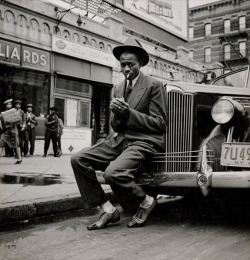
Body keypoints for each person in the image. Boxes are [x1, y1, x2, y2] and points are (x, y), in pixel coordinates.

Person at [71, 37, 167, 230]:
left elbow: (160, 124)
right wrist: (117, 115)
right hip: (120, 140)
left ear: (140, 63)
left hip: (144, 141)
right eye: (122, 65)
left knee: (113, 173)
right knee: (78, 159)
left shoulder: (154, 85)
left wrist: (128, 112)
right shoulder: (118, 87)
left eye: (130, 64)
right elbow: (117, 126)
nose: (125, 69)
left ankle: (147, 201)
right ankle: (107, 209)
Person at [0, 99, 22, 164]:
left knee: (16, 143)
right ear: (5, 106)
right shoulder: (3, 113)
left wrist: (12, 121)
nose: (9, 105)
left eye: (10, 104)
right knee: (1, 139)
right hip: (6, 130)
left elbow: (19, 120)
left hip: (13, 129)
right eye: (7, 104)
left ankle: (19, 159)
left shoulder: (14, 111)